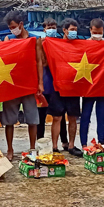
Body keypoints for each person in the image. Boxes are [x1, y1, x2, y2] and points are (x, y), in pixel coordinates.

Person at [3, 10, 44, 160]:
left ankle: (32, 148)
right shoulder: (8, 39)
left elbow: (39, 61)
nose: (12, 30)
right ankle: (10, 149)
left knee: (32, 119)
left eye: (14, 27)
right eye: (10, 28)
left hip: (29, 84)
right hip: (12, 85)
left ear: (21, 24)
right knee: (9, 121)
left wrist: (40, 83)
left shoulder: (35, 39)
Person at [46, 18, 83, 156]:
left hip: (74, 87)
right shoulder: (55, 43)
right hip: (58, 87)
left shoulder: (80, 45)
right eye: (71, 30)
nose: (74, 32)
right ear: (64, 30)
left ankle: (71, 145)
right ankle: (55, 147)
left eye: (75, 30)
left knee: (73, 117)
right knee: (57, 118)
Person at [37, 18, 69, 149]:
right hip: (44, 84)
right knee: (41, 117)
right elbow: (42, 62)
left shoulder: (60, 43)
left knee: (59, 115)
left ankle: (64, 141)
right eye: (49, 27)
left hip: (57, 84)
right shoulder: (40, 43)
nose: (51, 29)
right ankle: (40, 143)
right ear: (44, 29)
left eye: (53, 27)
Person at [80, 18, 104, 147]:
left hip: (103, 86)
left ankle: (101, 142)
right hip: (88, 87)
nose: (97, 35)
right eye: (95, 32)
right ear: (90, 30)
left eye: (100, 32)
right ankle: (83, 143)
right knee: (85, 116)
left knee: (102, 117)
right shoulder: (84, 44)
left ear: (103, 31)